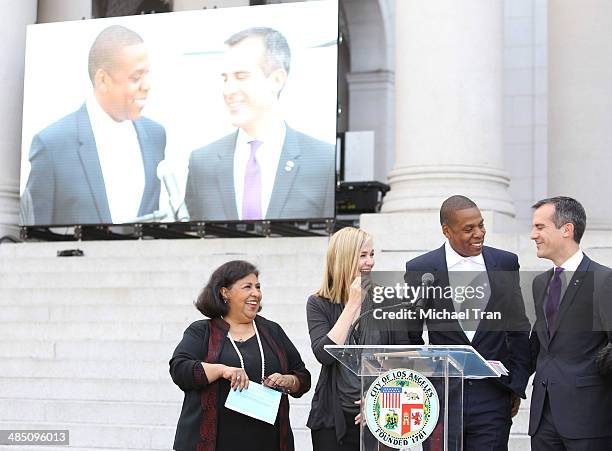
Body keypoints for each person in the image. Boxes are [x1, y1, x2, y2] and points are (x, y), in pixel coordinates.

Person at [404, 195, 531, 451]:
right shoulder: (422, 268)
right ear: (447, 231)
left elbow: (518, 328)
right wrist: (420, 386)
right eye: (468, 228)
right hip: (440, 400)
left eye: (481, 225)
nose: (479, 233)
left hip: (493, 398)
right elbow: (410, 335)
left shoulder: (505, 263)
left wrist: (515, 384)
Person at [185, 27, 335, 221]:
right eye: (225, 78)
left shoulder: (324, 160)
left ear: (276, 80)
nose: (228, 90)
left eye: (241, 76)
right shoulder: (202, 162)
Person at [22, 25, 166, 226]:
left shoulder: (156, 135)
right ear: (103, 80)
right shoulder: (51, 144)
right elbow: (35, 235)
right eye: (136, 77)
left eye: (147, 74)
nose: (147, 85)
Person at [169, 260, 311, 451]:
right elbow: (180, 369)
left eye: (258, 287)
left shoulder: (272, 331)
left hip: (267, 443)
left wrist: (288, 381)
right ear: (225, 292)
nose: (256, 293)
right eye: (247, 287)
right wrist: (222, 370)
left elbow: (302, 377)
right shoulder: (202, 331)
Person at [306, 227, 423, 450]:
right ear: (344, 258)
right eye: (363, 255)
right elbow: (324, 355)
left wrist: (378, 397)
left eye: (372, 254)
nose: (370, 262)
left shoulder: (388, 301)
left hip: (381, 411)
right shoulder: (318, 303)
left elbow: (403, 359)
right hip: (333, 415)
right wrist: (352, 304)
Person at [528, 197, 612, 450]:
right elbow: (541, 344)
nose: (533, 235)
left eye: (540, 227)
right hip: (543, 419)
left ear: (567, 229)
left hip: (589, 418)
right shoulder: (540, 283)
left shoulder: (604, 280)